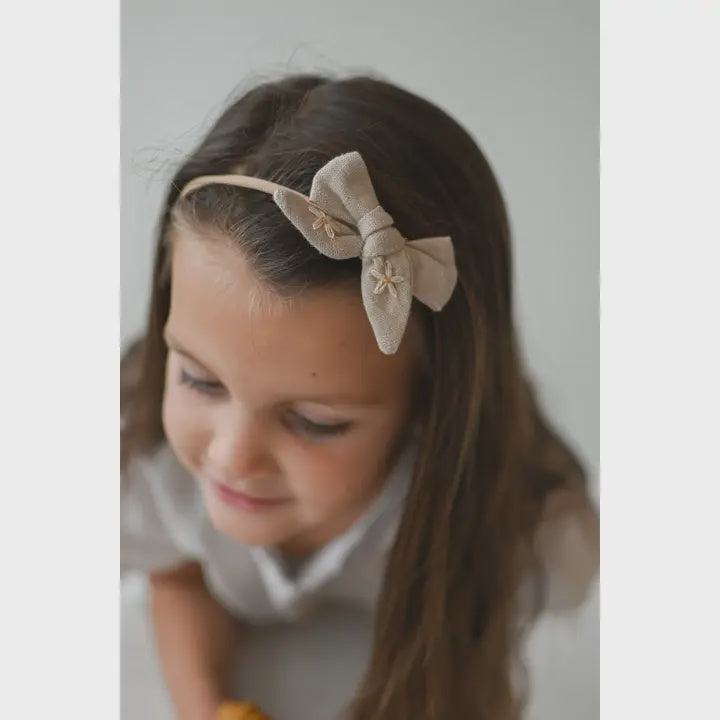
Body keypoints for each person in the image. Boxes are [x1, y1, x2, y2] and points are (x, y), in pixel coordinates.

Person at [121, 73, 599, 720]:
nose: (232, 458)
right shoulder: (142, 462)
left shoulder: (518, 539)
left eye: (315, 422)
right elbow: (178, 567)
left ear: (432, 404)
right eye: (200, 380)